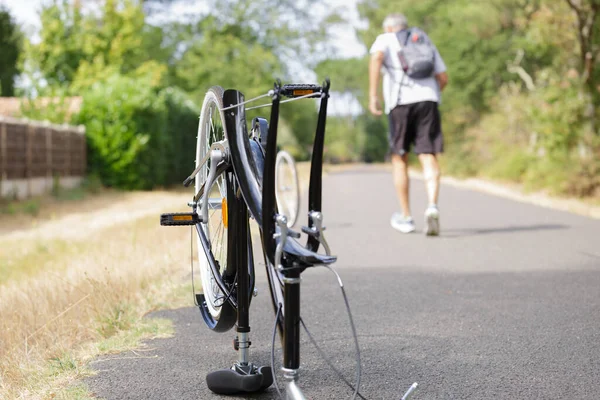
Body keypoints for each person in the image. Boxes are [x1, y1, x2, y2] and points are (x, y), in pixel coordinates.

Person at [368, 13, 448, 236]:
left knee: (400, 159)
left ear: (389, 28)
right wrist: (429, 95)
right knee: (428, 154)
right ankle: (432, 205)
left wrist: (373, 95)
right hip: (428, 100)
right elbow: (443, 77)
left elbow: (376, 59)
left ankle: (406, 216)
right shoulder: (423, 39)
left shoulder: (385, 39)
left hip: (400, 103)